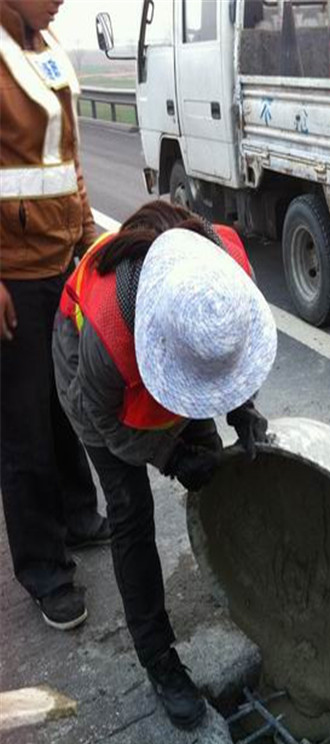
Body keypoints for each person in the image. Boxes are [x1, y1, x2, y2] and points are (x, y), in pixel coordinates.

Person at [52, 201, 277, 729]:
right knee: (132, 513)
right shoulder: (109, 332)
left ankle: (246, 587)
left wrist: (242, 410)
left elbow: (231, 355)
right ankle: (158, 659)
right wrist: (170, 456)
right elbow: (101, 419)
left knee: (217, 465)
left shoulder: (224, 274)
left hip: (160, 360)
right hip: (96, 392)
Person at [0, 0, 109, 632]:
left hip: (60, 257)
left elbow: (65, 159)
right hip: (14, 271)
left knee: (62, 402)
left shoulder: (43, 44)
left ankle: (76, 514)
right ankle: (45, 569)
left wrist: (86, 228)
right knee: (24, 431)